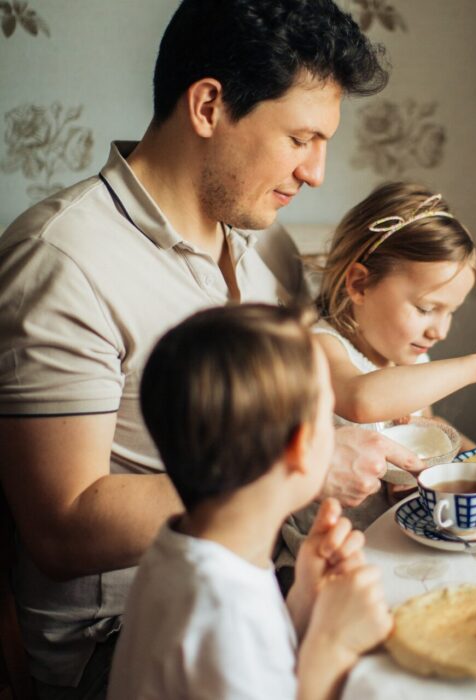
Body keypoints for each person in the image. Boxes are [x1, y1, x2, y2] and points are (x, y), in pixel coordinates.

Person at [0, 1, 419, 696]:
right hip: (126, 643)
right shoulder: (61, 262)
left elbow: (309, 377)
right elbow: (61, 527)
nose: (316, 172)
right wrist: (300, 475)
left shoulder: (261, 239)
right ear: (207, 106)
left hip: (252, 576)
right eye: (300, 139)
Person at [107, 303, 392, 700]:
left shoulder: (187, 552)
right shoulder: (219, 613)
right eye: (327, 413)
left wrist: (305, 602)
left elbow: (263, 667)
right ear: (301, 446)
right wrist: (334, 645)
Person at [277, 182, 476, 550]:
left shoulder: (410, 354)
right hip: (334, 554)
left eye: (451, 313)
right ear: (360, 284)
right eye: (427, 309)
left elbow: (432, 429)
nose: (440, 330)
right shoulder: (320, 347)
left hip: (404, 539)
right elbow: (361, 399)